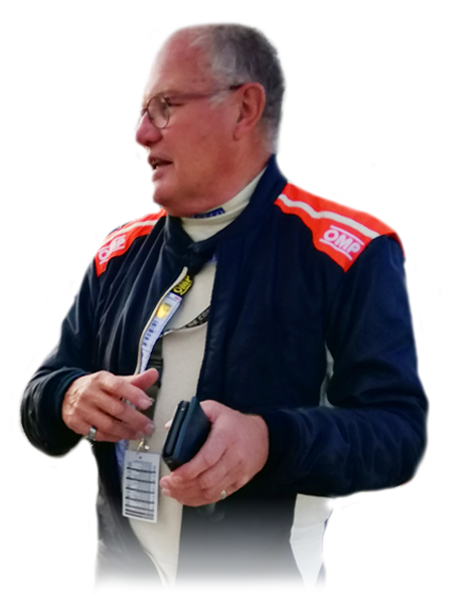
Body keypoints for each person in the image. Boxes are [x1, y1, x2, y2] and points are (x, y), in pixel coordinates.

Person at [21, 20, 428, 593]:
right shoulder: (116, 255)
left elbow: (401, 437)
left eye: (164, 107)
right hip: (120, 580)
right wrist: (67, 396)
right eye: (141, 112)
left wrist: (269, 440)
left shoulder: (349, 252)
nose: (139, 134)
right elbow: (40, 391)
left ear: (244, 109)